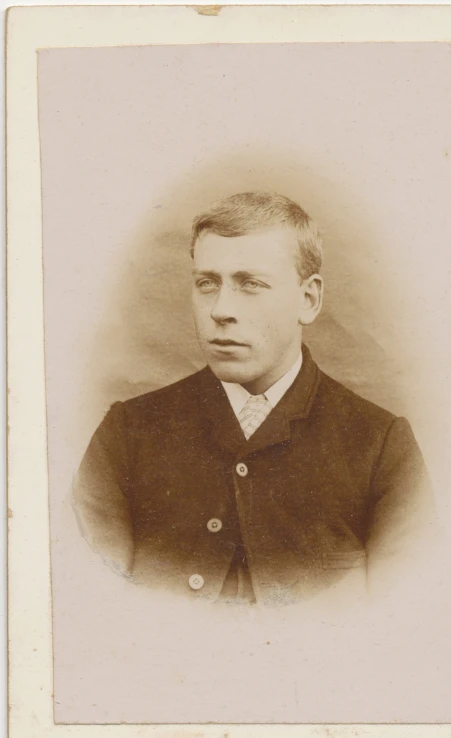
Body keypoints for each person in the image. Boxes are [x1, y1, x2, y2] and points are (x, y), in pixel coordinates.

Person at [74, 191, 431, 606]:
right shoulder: (126, 433)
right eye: (207, 284)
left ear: (308, 299)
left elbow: (406, 623)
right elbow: (91, 610)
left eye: (251, 285)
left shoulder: (382, 446)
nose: (221, 309)